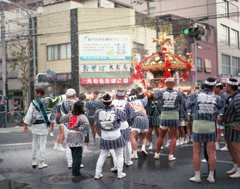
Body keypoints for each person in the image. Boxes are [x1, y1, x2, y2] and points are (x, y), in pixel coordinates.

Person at [186, 78, 224, 183]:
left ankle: (197, 176)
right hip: (210, 125)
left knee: (196, 152)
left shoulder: (195, 95)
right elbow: (222, 108)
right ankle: (211, 176)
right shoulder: (217, 98)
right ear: (213, 86)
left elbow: (187, 105)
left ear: (204, 85)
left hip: (198, 124)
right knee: (211, 152)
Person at [94, 93, 126, 179]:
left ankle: (97, 174)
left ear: (103, 102)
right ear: (111, 101)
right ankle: (120, 173)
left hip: (104, 134)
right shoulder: (117, 110)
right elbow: (124, 118)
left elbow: (96, 123)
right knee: (119, 154)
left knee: (103, 154)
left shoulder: (98, 112)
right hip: (116, 133)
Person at [154, 77, 184, 161]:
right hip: (174, 115)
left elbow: (155, 96)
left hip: (164, 116)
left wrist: (163, 88)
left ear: (166, 84)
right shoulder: (178, 93)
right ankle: (171, 155)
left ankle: (157, 154)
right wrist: (182, 115)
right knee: (173, 137)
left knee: (161, 136)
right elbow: (182, 103)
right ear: (173, 84)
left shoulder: (161, 92)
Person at [60, 100, 89, 179]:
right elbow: (87, 125)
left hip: (70, 136)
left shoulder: (70, 115)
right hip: (77, 137)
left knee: (74, 155)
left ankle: (74, 171)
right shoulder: (82, 116)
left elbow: (61, 120)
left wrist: (69, 126)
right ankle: (77, 173)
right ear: (81, 108)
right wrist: (79, 128)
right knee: (78, 156)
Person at [23, 87, 50, 169]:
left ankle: (34, 161)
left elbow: (29, 114)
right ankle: (41, 162)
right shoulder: (46, 102)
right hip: (43, 125)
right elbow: (50, 113)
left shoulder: (34, 103)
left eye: (35, 92)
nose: (34, 94)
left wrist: (25, 125)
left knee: (34, 143)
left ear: (39, 93)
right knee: (42, 144)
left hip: (35, 125)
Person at [223, 78, 240, 178]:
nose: (225, 87)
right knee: (230, 147)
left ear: (230, 87)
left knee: (236, 148)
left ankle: (239, 169)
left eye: (226, 85)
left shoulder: (237, 97)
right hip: (229, 126)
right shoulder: (231, 97)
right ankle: (235, 166)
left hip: (235, 126)